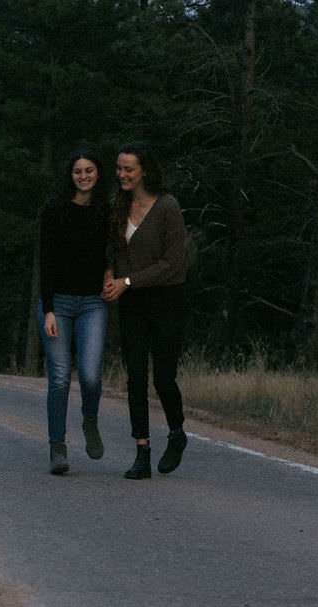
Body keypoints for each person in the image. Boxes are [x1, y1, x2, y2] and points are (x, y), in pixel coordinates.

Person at [101, 142, 193, 479]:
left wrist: (128, 280)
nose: (122, 174)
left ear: (145, 171)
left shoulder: (167, 206)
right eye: (119, 168)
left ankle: (176, 434)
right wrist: (110, 275)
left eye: (128, 169)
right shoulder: (117, 206)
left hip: (167, 300)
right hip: (132, 304)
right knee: (135, 377)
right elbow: (108, 250)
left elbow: (174, 262)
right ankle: (142, 451)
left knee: (163, 378)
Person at [38, 150, 111, 475]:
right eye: (78, 171)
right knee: (59, 379)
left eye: (89, 170)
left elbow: (113, 250)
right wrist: (49, 309)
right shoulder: (55, 211)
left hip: (93, 303)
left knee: (91, 376)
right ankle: (58, 449)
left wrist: (111, 272)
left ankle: (90, 421)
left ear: (98, 174)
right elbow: (46, 262)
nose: (83, 176)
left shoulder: (106, 211)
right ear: (70, 175)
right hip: (59, 304)